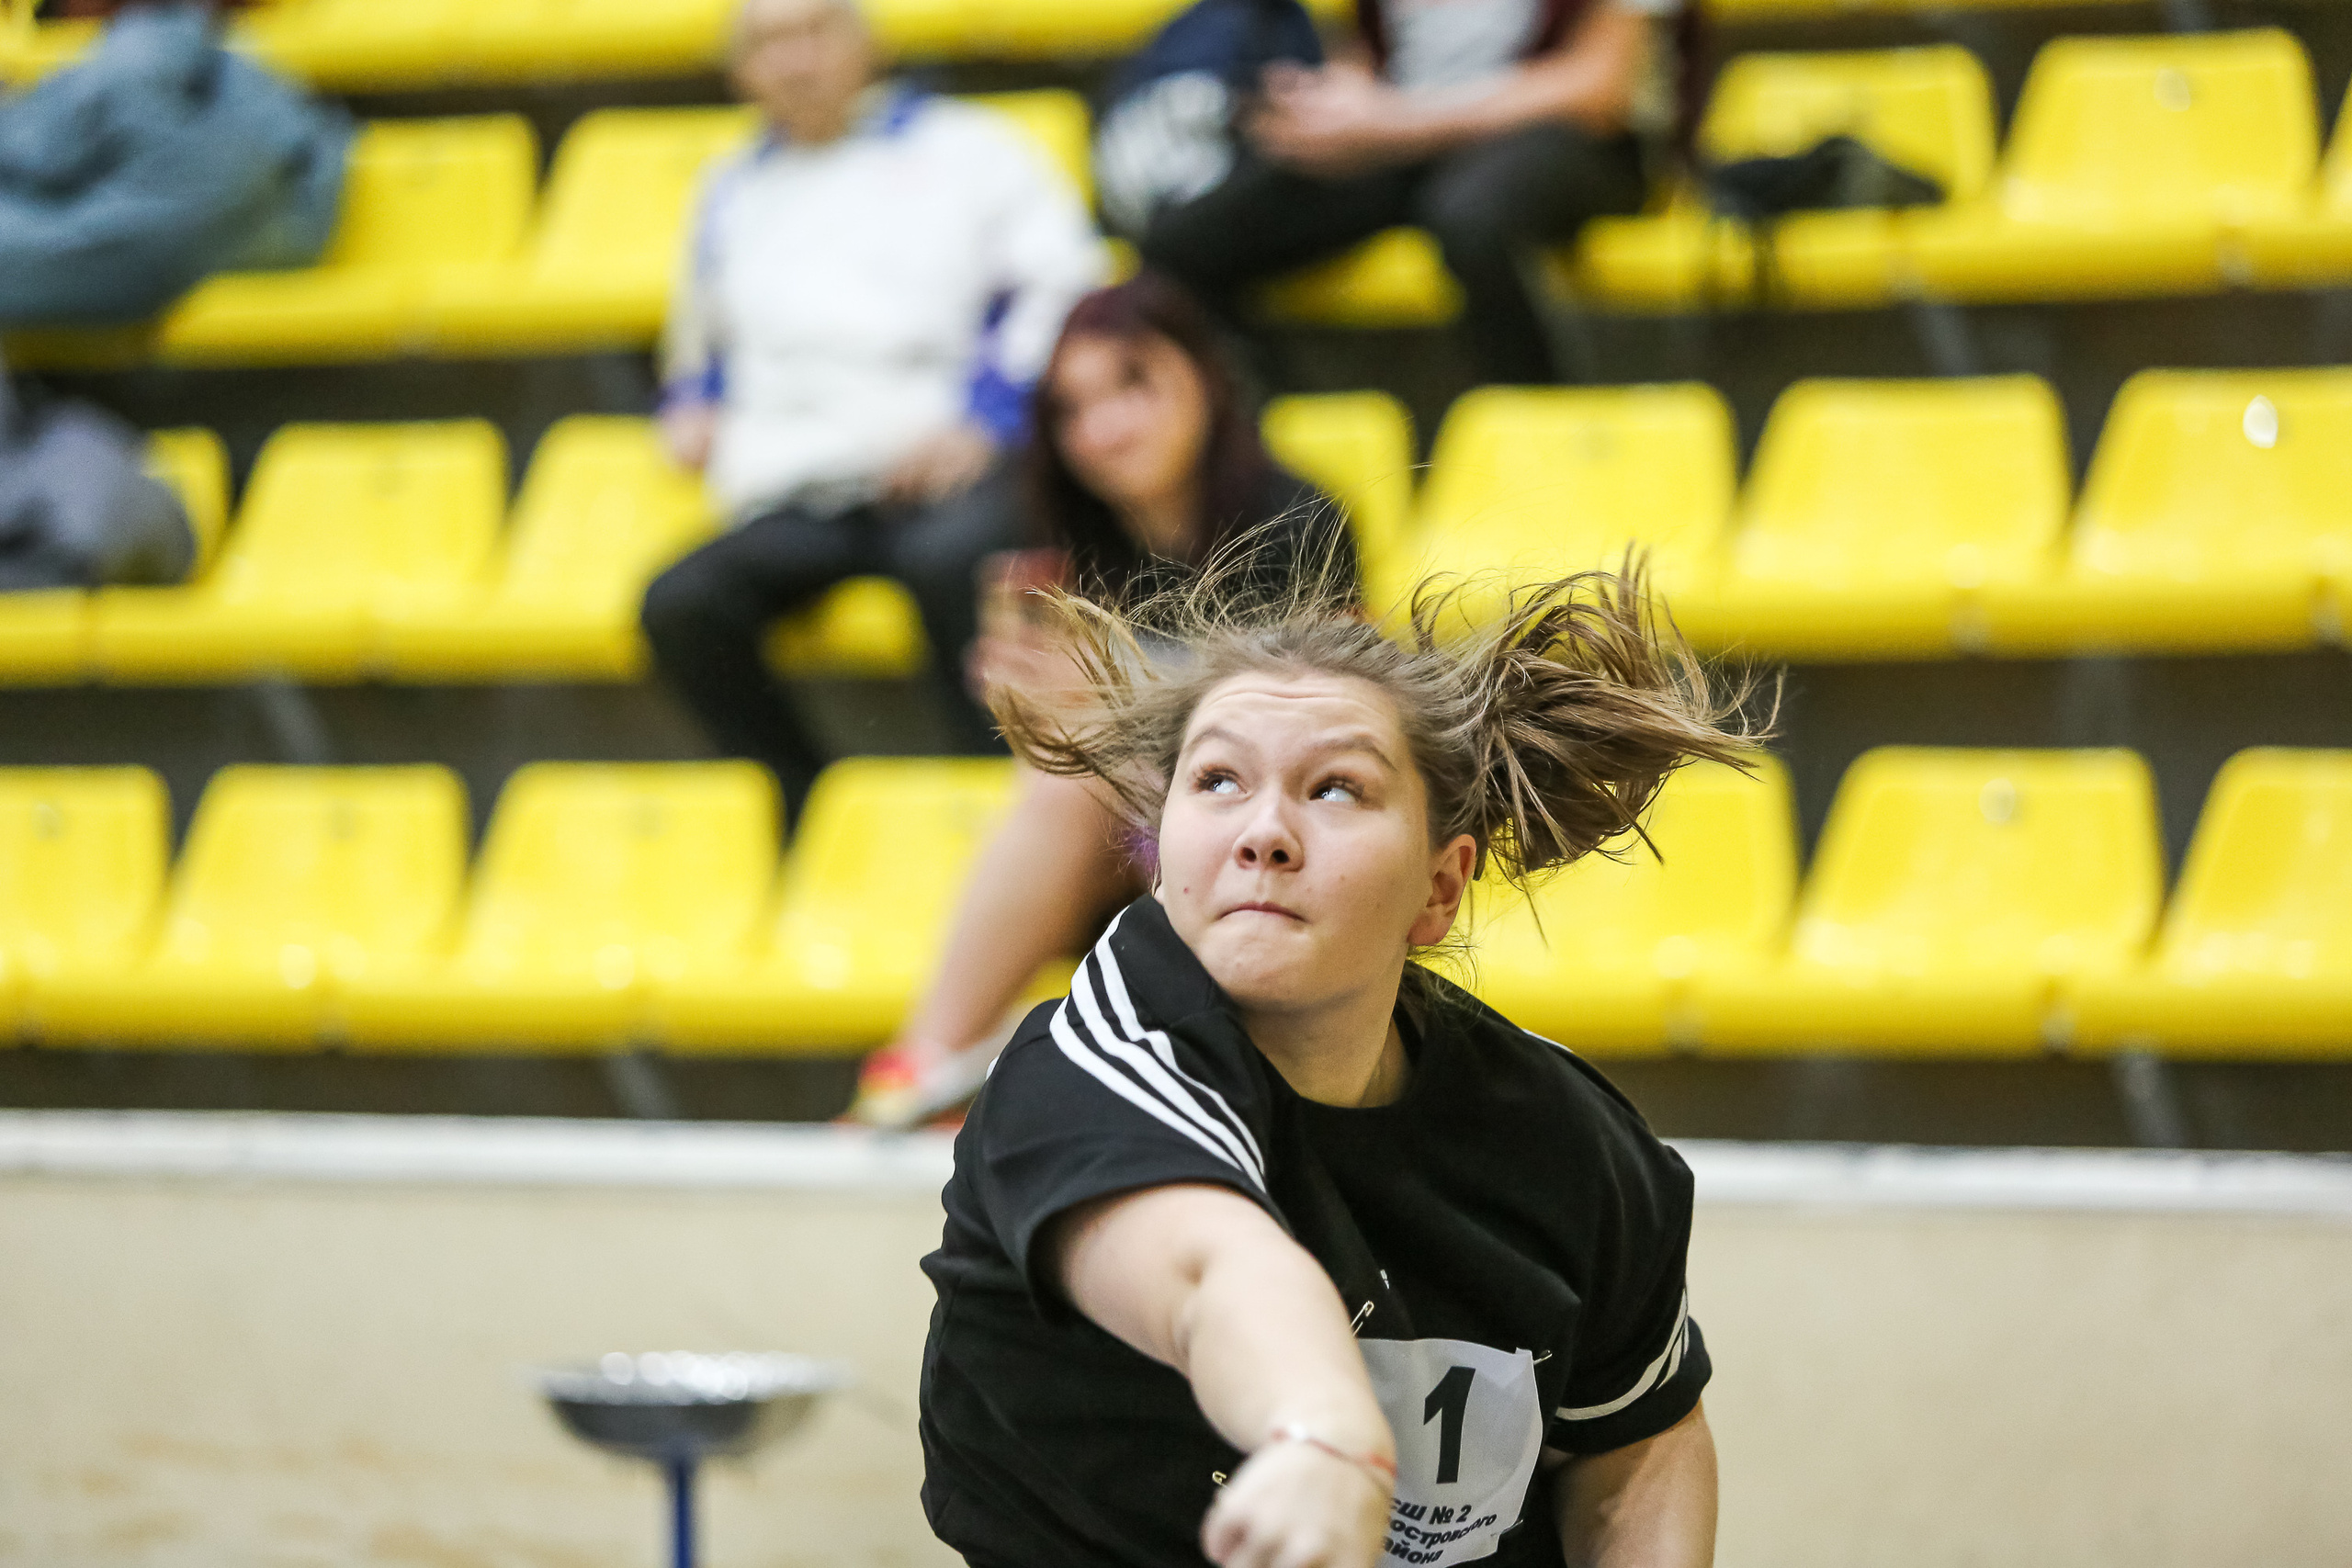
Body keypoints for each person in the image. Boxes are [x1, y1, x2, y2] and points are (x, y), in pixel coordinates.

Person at [920, 564, 1744, 1567]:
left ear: (1439, 887)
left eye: (1336, 788)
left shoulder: (1571, 1136)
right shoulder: (1086, 1069)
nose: (1264, 833)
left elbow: (1636, 1444)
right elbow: (1213, 1272)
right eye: (1218, 781)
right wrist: (1324, 1439)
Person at [847, 272, 1363, 1128]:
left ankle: (922, 1067)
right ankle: (928, 1075)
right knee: (1064, 775)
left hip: (1271, 838)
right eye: (1073, 409)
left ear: (1203, 375)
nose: (1104, 428)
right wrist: (1030, 712)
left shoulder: (1295, 521)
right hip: (1130, 847)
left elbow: (1312, 737)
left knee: (1077, 777)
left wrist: (1106, 710)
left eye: (1133, 384)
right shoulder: (1066, 540)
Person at [640, 0, 1105, 815]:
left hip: (952, 464)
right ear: (739, 71)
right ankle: (807, 811)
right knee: (681, 605)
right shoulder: (730, 188)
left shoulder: (971, 149)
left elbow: (1064, 288)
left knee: (952, 562)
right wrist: (692, 404)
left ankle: (996, 808)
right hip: (802, 484)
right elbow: (700, 343)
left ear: (866, 43)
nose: (795, 60)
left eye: (815, 32)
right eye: (769, 43)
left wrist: (986, 419)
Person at [1132, 0, 1679, 386]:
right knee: (1184, 245)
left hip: (1579, 144)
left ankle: (1550, 445)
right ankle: (1277, 465)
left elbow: (1601, 90)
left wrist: (1400, 120)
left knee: (1471, 220)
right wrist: (1327, 101)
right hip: (1404, 139)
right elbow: (1372, 54)